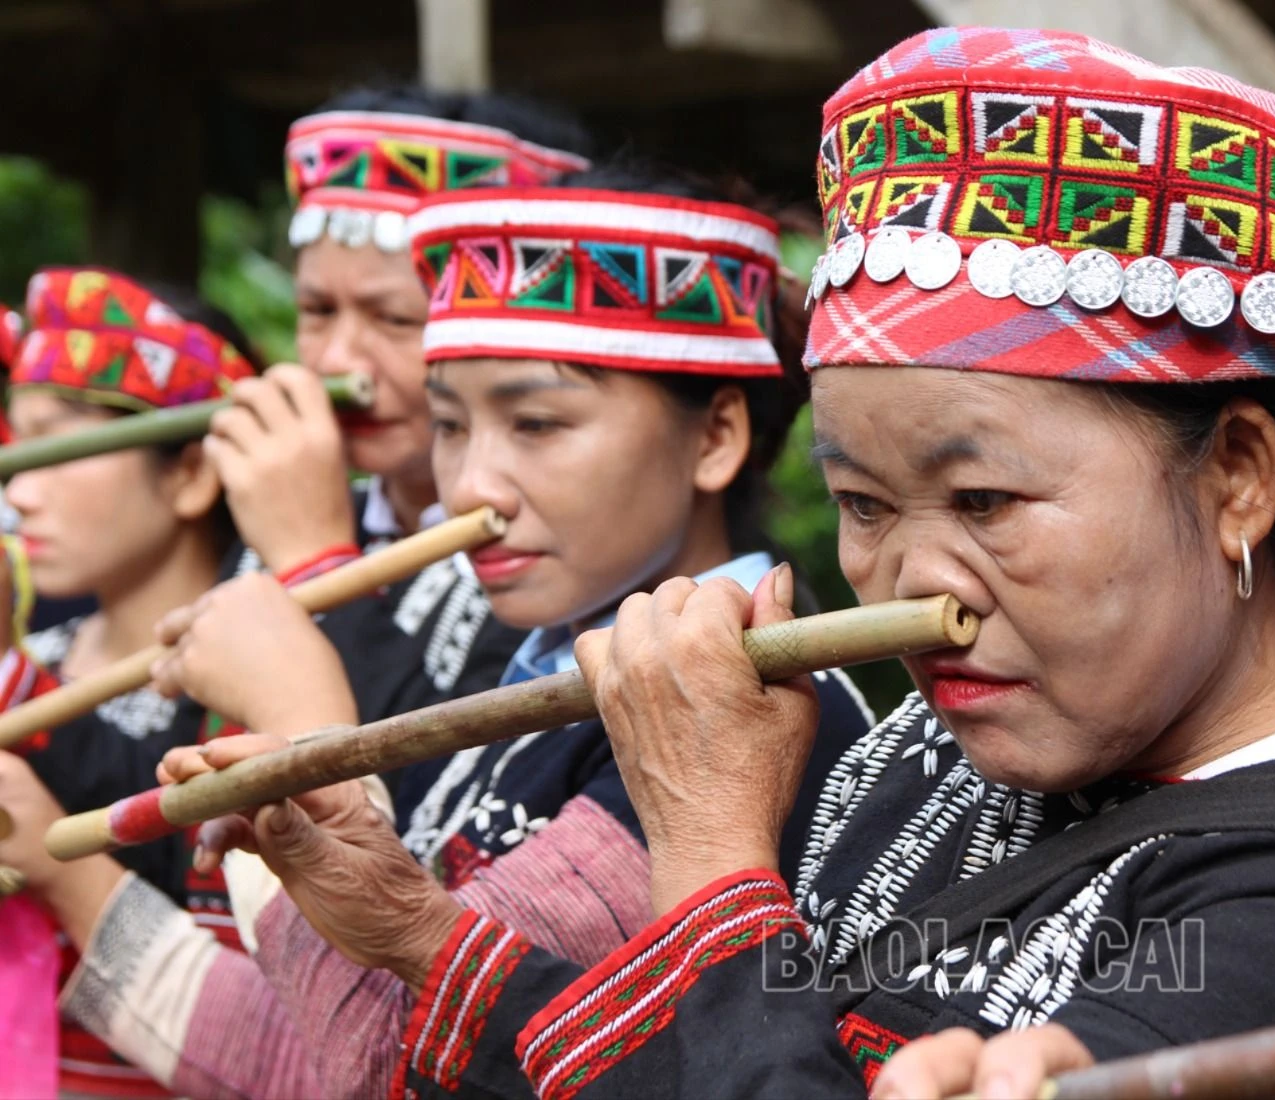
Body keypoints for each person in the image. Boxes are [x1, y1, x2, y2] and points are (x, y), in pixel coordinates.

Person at [139, 27, 1275, 1100]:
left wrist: (719, 863)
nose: (921, 583)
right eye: (860, 502)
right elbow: (694, 1067)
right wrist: (414, 931)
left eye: (984, 496)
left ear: (1240, 475)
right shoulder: (932, 753)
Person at [0, 168, 872, 1098]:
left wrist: (299, 724)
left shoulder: (745, 704)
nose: (471, 489)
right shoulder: (553, 669)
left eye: (536, 423)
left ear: (716, 437)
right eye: (451, 425)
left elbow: (370, 1066)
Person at [208, 87, 593, 738]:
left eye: (393, 319)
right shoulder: (295, 506)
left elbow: (411, 806)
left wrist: (316, 568)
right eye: (317, 311)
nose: (340, 363)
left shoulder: (553, 564)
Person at [0, 267, 261, 1096]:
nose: (20, 491)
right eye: (15, 445)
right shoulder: (35, 647)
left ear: (189, 473)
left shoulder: (256, 688)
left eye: (61, 444)